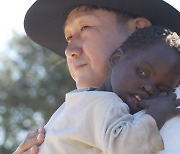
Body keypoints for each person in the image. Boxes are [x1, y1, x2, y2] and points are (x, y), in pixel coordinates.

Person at [13, 0, 180, 153]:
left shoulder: (170, 112)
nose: (69, 51)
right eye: (69, 37)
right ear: (117, 58)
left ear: (138, 29)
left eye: (85, 27)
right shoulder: (90, 106)